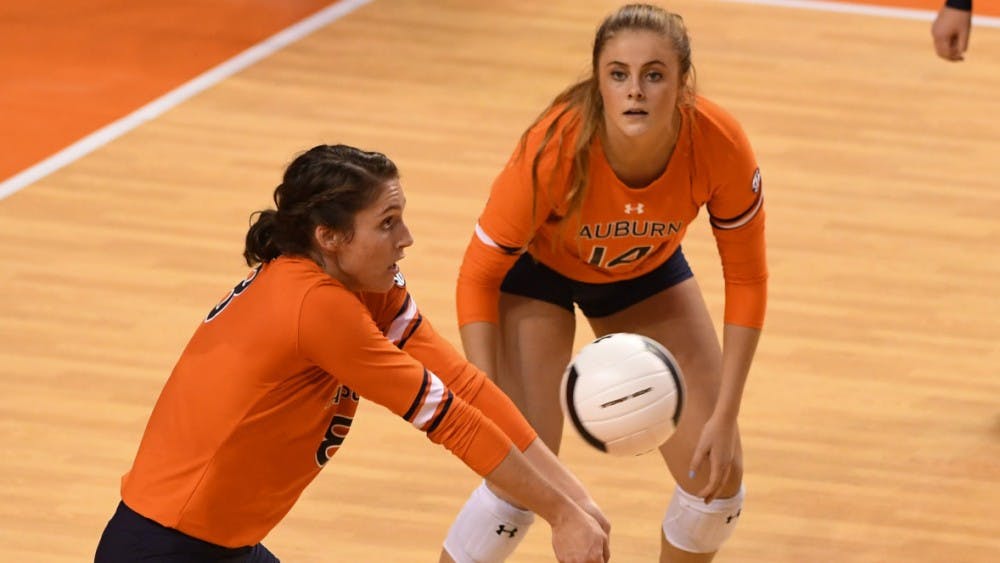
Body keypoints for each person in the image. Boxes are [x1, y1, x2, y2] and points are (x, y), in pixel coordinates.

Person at [94, 144, 610, 563]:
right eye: (387, 223)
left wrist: (574, 498)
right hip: (164, 548)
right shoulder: (316, 306)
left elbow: (464, 385)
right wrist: (561, 515)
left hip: (222, 546)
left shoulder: (365, 287)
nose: (405, 239)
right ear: (330, 237)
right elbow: (449, 419)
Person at [443, 4, 766, 563]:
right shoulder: (555, 147)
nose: (634, 90)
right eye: (618, 74)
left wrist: (726, 413)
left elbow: (748, 278)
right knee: (513, 486)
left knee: (718, 488)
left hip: (643, 274)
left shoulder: (718, 143)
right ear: (599, 81)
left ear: (682, 83)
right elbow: (476, 276)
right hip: (535, 275)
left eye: (654, 74)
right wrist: (485, 399)